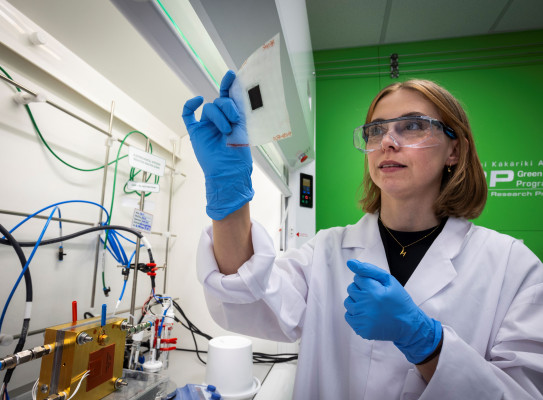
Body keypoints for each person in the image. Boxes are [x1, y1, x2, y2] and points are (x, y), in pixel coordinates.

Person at [182, 70, 543, 399]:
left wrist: (427, 344)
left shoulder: (513, 268)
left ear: (454, 149)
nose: (388, 142)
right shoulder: (327, 250)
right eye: (376, 130)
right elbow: (248, 298)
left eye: (412, 126)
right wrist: (228, 194)